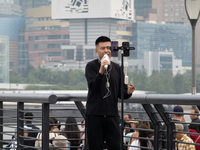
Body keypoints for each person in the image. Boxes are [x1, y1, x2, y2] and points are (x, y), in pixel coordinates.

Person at [85, 36, 135, 150]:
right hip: (95, 115)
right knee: (95, 147)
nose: (106, 51)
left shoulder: (117, 68)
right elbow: (93, 87)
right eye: (103, 48)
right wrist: (101, 71)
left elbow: (120, 93)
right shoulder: (91, 66)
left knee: (116, 146)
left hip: (112, 115)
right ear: (96, 51)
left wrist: (128, 92)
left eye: (108, 47)